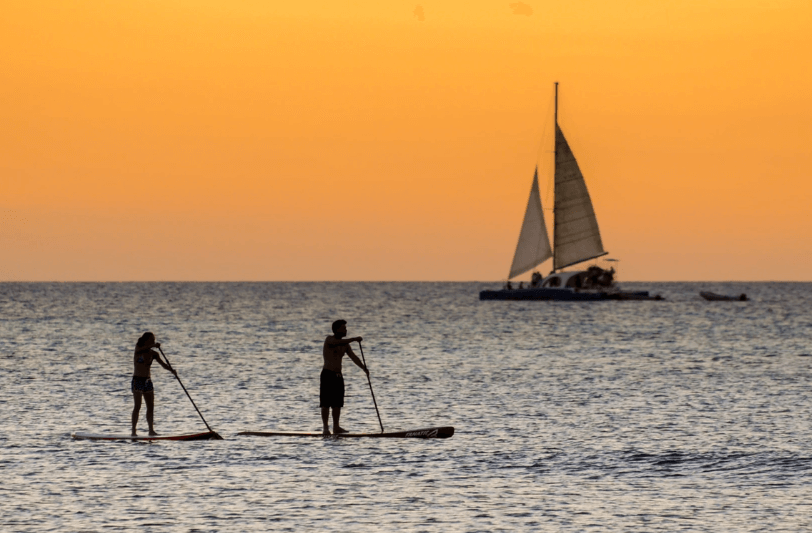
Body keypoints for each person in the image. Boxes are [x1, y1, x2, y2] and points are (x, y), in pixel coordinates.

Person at [321, 320, 368, 435]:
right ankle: (326, 428)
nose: (346, 330)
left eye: (345, 328)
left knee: (338, 403)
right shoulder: (329, 340)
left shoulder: (345, 345)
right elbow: (336, 343)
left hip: (338, 376)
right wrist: (354, 339)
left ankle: (336, 427)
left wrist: (364, 368)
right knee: (326, 403)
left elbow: (353, 357)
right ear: (337, 330)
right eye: (343, 328)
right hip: (327, 374)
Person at [131, 332, 176, 436]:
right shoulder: (138, 349)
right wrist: (153, 345)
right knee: (137, 406)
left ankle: (151, 430)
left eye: (154, 339)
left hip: (147, 381)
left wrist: (172, 370)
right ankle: (133, 431)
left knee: (150, 406)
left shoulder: (154, 354)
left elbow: (164, 365)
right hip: (137, 380)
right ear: (146, 340)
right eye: (151, 339)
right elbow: (140, 349)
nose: (153, 341)